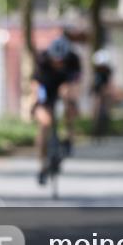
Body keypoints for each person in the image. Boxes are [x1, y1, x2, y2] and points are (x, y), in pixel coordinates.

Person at [30, 36, 81, 185]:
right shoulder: (42, 60)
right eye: (55, 60)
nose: (58, 63)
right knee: (44, 124)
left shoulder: (73, 60)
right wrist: (37, 102)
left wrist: (71, 96)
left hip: (64, 88)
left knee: (69, 103)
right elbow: (35, 84)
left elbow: (77, 82)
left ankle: (69, 138)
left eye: (61, 60)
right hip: (45, 91)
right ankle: (41, 166)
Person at [91, 49, 114, 138]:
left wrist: (108, 91)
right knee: (96, 106)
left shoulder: (108, 70)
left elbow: (110, 82)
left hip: (105, 89)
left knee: (107, 106)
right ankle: (94, 127)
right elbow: (93, 83)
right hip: (97, 90)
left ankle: (106, 125)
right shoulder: (96, 70)